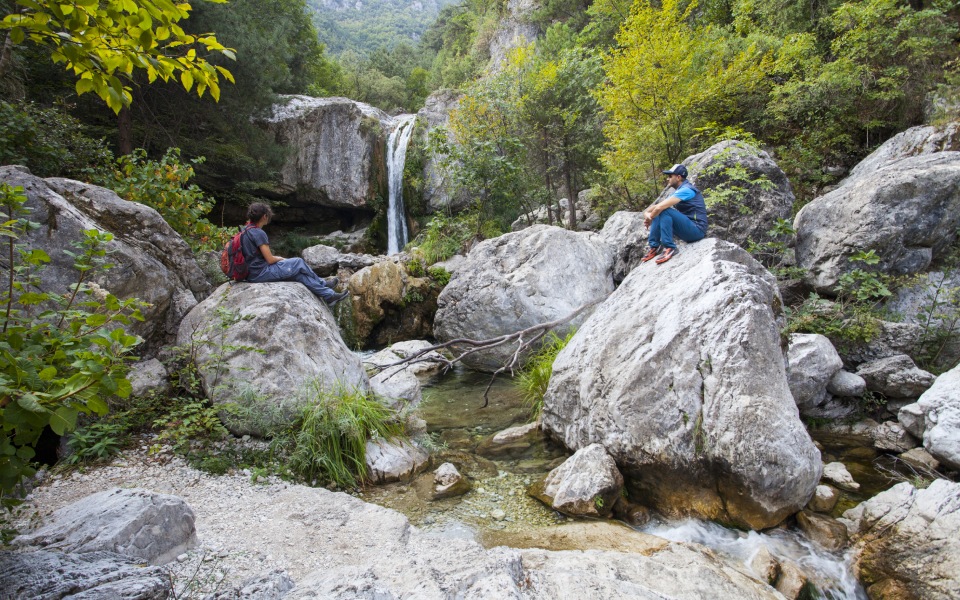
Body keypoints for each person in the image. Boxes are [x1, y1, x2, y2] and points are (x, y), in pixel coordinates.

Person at [240, 203, 349, 306]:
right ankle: (322, 283)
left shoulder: (245, 230)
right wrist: (280, 258)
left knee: (298, 275)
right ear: (264, 216)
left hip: (252, 273)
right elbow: (270, 259)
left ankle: (329, 296)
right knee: (298, 262)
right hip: (261, 273)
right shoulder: (259, 233)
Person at [640, 164, 708, 265]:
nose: (668, 179)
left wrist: (650, 218)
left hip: (697, 230)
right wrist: (646, 213)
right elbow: (656, 206)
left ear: (678, 177)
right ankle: (654, 247)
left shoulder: (687, 190)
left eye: (670, 176)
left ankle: (670, 247)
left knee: (664, 210)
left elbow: (660, 207)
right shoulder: (679, 191)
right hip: (688, 228)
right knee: (660, 210)